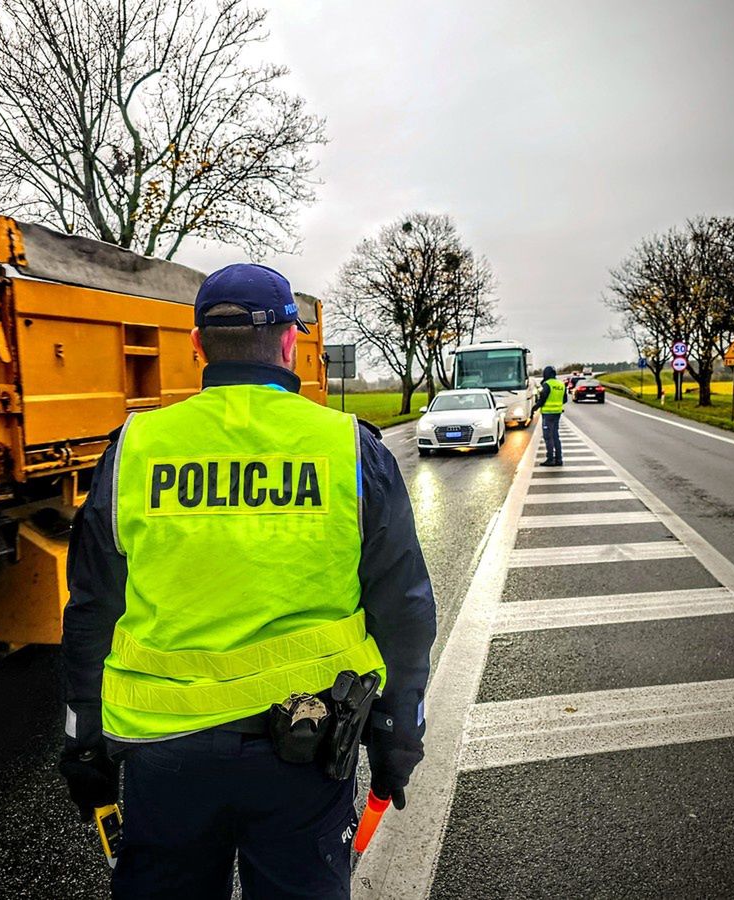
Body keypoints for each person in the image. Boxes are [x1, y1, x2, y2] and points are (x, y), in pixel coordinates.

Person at [59, 263, 436, 899]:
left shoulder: (135, 447)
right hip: (307, 747)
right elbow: (402, 608)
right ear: (291, 341)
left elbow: (92, 608)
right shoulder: (347, 447)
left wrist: (81, 737)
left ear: (196, 345)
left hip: (163, 755)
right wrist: (400, 730)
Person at [533, 365, 566, 466]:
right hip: (557, 413)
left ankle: (550, 459)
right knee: (555, 436)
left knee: (548, 437)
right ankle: (559, 459)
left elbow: (542, 400)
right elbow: (565, 400)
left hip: (548, 414)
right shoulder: (561, 384)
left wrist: (534, 408)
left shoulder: (547, 385)